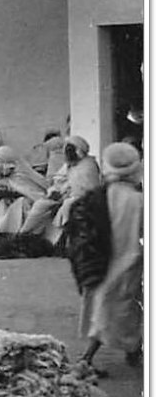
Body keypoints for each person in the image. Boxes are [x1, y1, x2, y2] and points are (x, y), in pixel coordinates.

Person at [70, 142, 143, 377]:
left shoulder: (97, 197)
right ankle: (86, 360)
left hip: (100, 264)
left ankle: (133, 351)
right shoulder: (139, 200)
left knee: (107, 310)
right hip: (130, 264)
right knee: (115, 313)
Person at [21, 135, 102, 244]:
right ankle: (26, 234)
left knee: (68, 206)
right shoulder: (69, 165)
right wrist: (55, 191)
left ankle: (58, 241)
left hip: (82, 198)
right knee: (40, 204)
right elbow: (58, 181)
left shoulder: (88, 165)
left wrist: (67, 195)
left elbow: (89, 189)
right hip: (64, 196)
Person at [0, 145, 50, 235]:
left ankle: (10, 231)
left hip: (30, 202)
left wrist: (11, 194)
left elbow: (31, 193)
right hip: (13, 200)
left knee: (20, 203)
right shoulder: (7, 175)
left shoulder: (21, 174)